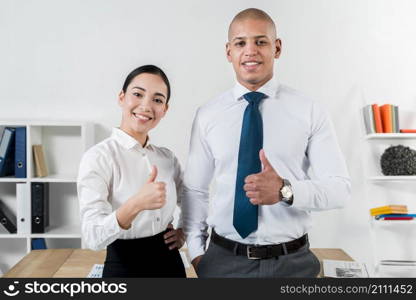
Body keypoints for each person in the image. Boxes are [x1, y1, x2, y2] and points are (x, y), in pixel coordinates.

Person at [181, 8, 351, 278]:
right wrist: (196, 253)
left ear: (277, 48)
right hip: (222, 263)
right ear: (229, 52)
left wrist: (286, 190)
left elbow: (340, 189)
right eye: (240, 43)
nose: (250, 51)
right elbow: (195, 189)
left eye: (261, 42)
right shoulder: (207, 114)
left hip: (292, 265)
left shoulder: (309, 110)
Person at [77, 65, 186, 278]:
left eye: (157, 99)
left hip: (170, 263)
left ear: (165, 109)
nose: (146, 106)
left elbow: (193, 199)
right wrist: (136, 204)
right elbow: (92, 237)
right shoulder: (98, 157)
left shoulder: (167, 158)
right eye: (137, 94)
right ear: (121, 97)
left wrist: (184, 230)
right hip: (124, 266)